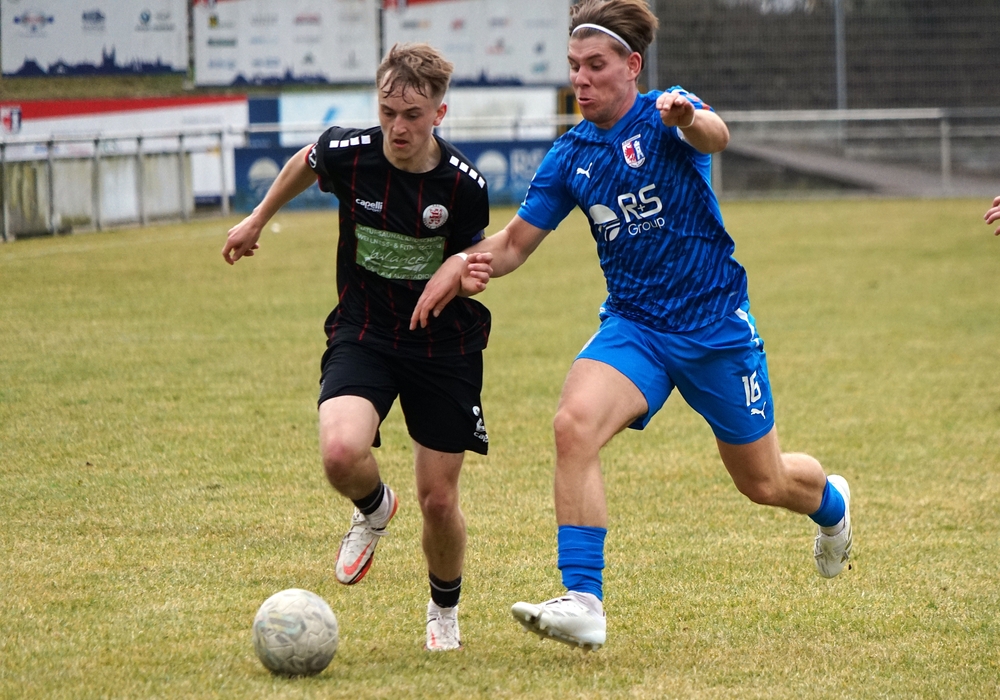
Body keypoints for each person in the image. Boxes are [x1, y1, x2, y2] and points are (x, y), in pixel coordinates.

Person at [411, 0, 852, 652]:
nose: (580, 79)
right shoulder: (571, 155)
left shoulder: (668, 113)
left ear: (632, 65)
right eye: (573, 66)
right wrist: (462, 263)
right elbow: (514, 245)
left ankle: (832, 506)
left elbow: (716, 136)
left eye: (595, 65)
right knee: (573, 425)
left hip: (714, 329)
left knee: (765, 483)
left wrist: (688, 117)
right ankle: (583, 600)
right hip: (635, 327)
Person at [222, 43, 495, 652]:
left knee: (439, 500)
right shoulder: (351, 152)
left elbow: (474, 253)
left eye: (413, 116)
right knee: (341, 452)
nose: (398, 127)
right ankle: (374, 507)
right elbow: (305, 161)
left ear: (439, 114)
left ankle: (443, 610)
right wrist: (258, 217)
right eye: (388, 112)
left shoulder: (463, 184)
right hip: (364, 330)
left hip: (441, 346)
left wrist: (466, 272)